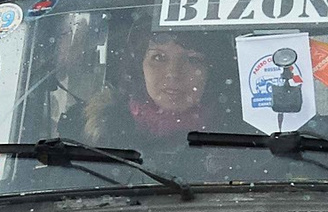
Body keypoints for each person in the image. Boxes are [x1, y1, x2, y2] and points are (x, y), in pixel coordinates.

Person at [82, 27, 226, 145]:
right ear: (139, 67)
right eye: (159, 58)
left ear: (211, 72)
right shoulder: (97, 138)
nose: (173, 73)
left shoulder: (239, 134)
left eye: (192, 59)